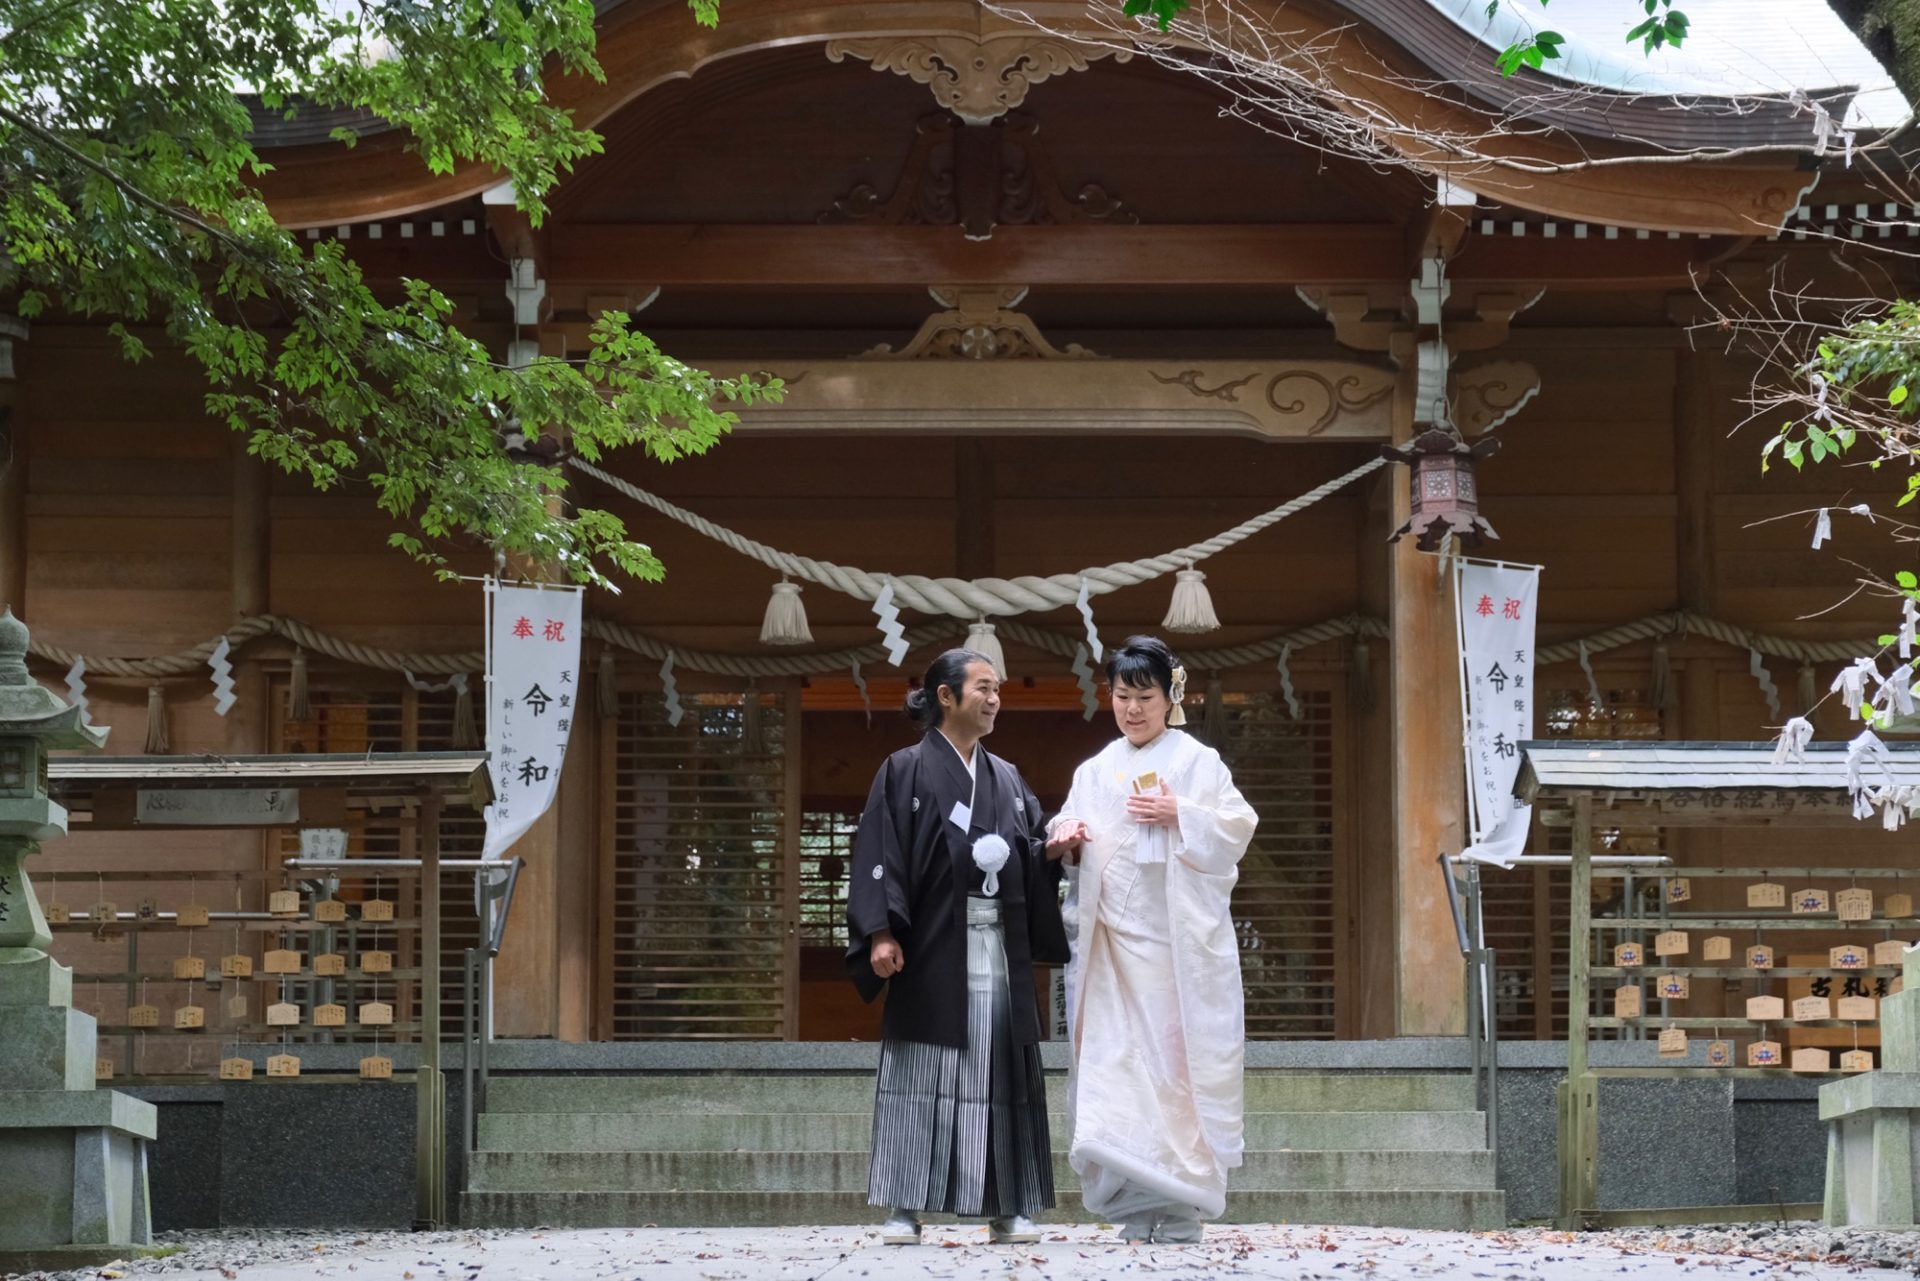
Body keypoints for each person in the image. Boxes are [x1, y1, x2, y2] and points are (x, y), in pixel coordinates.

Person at [845, 647, 1072, 1245]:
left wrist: (1046, 850)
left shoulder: (1007, 776)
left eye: (998, 689)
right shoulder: (903, 769)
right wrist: (881, 931)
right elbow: (877, 852)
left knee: (1001, 1074)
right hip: (932, 948)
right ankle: (904, 1205)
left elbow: (1023, 848)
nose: (995, 698)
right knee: (921, 1072)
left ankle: (1009, 1205)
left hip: (996, 949)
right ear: (945, 697)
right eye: (983, 687)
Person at [1047, 635, 1258, 1245]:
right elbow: (1070, 837)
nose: (1132, 709)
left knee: (1172, 1076)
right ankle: (1133, 1206)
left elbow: (1236, 829)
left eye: (1144, 696)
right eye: (1121, 696)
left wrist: (1180, 815)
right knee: (1116, 1075)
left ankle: (1184, 1204)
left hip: (1174, 954)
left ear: (1171, 698)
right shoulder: (1094, 770)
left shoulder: (1197, 762)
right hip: (1110, 948)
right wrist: (1068, 841)